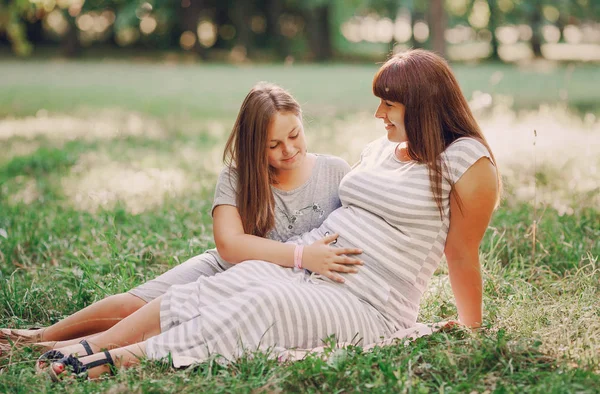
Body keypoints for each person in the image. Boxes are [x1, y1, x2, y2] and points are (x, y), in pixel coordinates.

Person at [44, 49, 501, 381]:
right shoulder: (382, 148)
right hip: (313, 270)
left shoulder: (467, 161)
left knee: (262, 304)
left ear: (421, 104)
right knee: (227, 283)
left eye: (389, 103)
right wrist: (304, 258)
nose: (378, 112)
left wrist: (473, 330)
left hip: (370, 302)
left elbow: (461, 254)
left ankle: (118, 361)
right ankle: (87, 345)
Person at [1, 82, 361, 347]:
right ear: (254, 145)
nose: (290, 150)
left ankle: (67, 348)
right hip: (227, 269)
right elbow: (229, 245)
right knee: (138, 303)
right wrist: (301, 255)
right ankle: (38, 336)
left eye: (295, 135)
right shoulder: (237, 177)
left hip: (272, 289)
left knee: (168, 320)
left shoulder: (333, 171)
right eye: (274, 145)